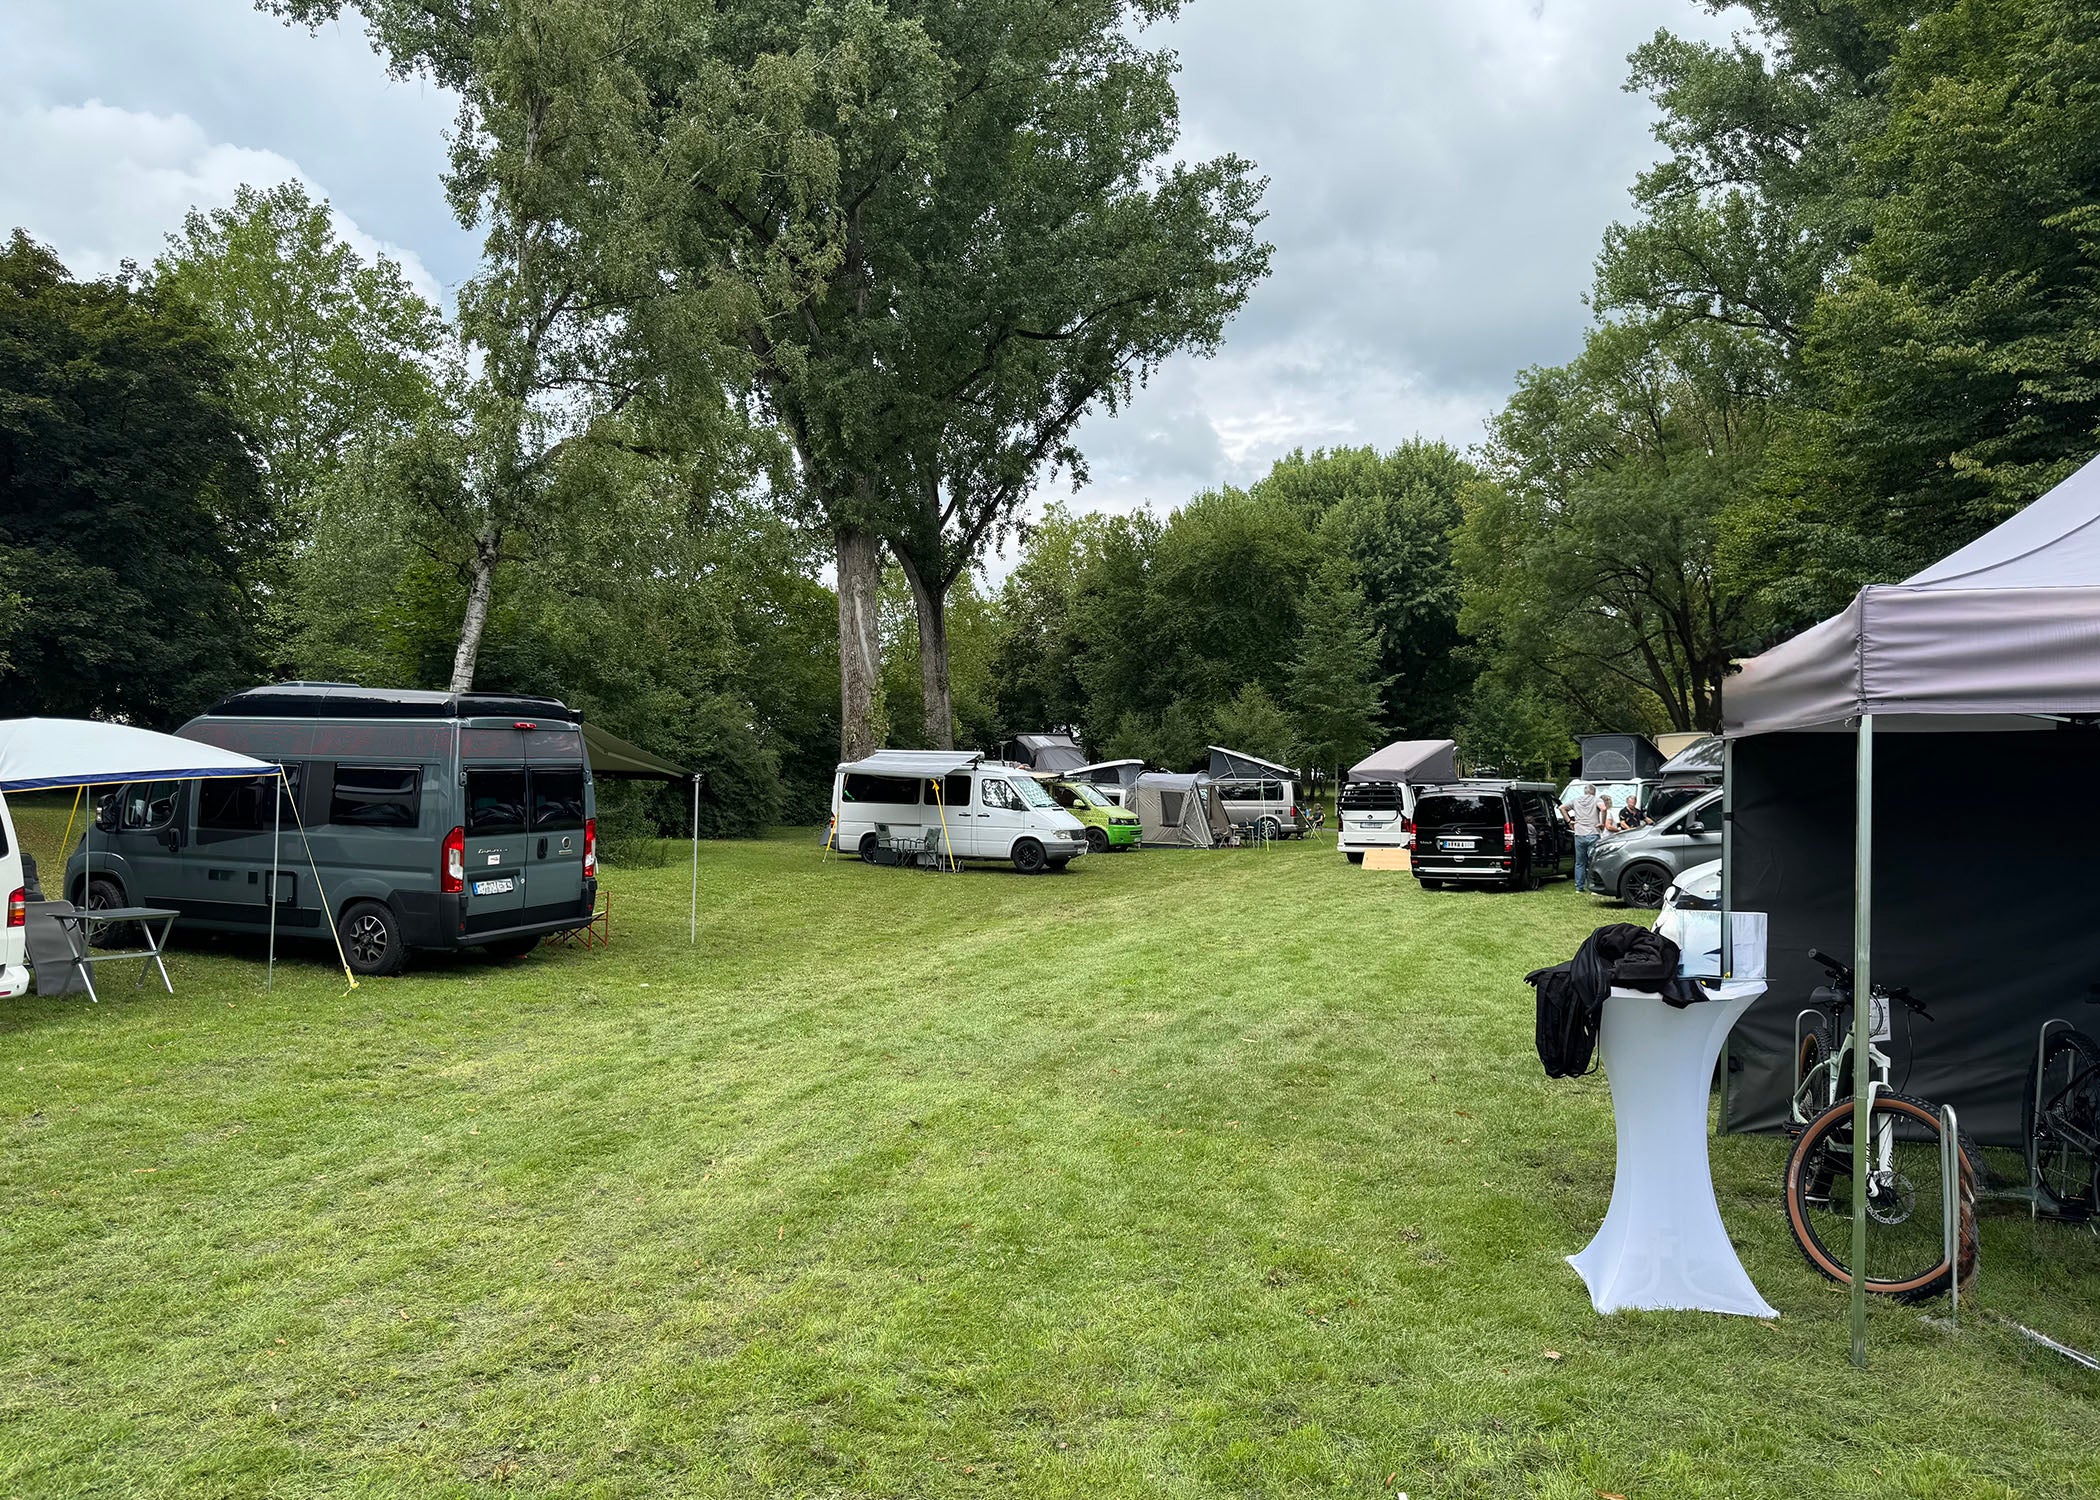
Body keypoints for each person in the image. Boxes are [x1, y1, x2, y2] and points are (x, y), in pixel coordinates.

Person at [1566, 782, 1603, 893]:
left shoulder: (1576, 800)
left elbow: (1562, 807)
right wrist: (1602, 823)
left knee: (1579, 862)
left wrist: (1569, 821)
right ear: (1594, 792)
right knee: (1593, 861)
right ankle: (1594, 886)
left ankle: (1579, 887)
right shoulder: (1596, 800)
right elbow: (1604, 808)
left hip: (1579, 834)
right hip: (1593, 833)